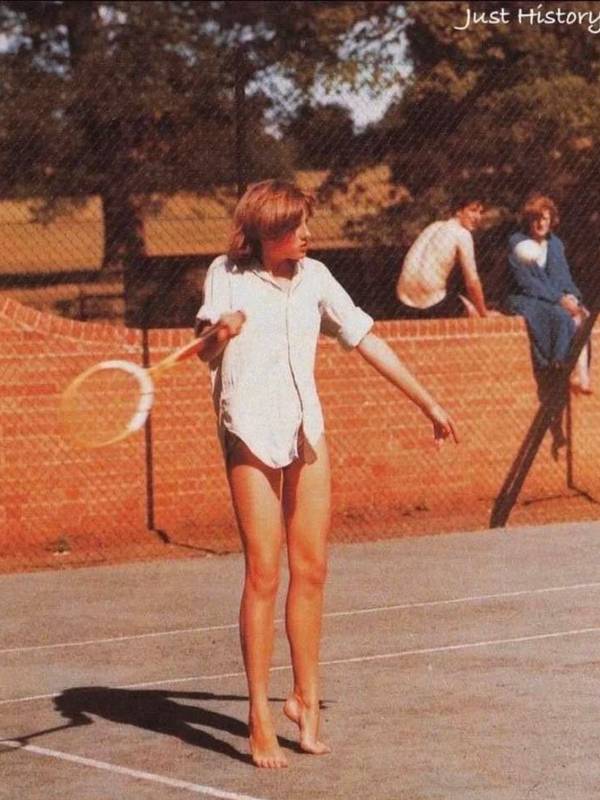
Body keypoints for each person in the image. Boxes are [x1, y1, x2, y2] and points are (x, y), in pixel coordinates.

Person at [195, 179, 458, 769]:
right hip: (248, 430)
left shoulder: (315, 278)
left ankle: (304, 698)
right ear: (266, 232)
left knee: (311, 569)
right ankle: (259, 714)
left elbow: (364, 337)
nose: (308, 236)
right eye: (296, 228)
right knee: (264, 572)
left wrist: (429, 402)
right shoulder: (225, 275)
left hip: (304, 429)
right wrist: (219, 332)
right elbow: (204, 349)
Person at [506, 193, 591, 454]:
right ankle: (558, 365)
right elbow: (526, 283)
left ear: (551, 219)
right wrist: (559, 299)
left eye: (544, 218)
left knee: (581, 316)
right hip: (526, 299)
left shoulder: (556, 245)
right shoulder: (517, 243)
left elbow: (564, 278)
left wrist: (573, 297)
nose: (540, 223)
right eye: (534, 218)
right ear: (528, 221)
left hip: (555, 299)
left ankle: (581, 377)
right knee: (559, 316)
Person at [395, 196, 494, 319]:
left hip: (403, 301)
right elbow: (472, 282)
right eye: (473, 210)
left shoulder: (433, 226)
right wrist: (484, 314)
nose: (478, 217)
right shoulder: (462, 234)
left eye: (480, 212)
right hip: (432, 302)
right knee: (475, 315)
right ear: (458, 211)